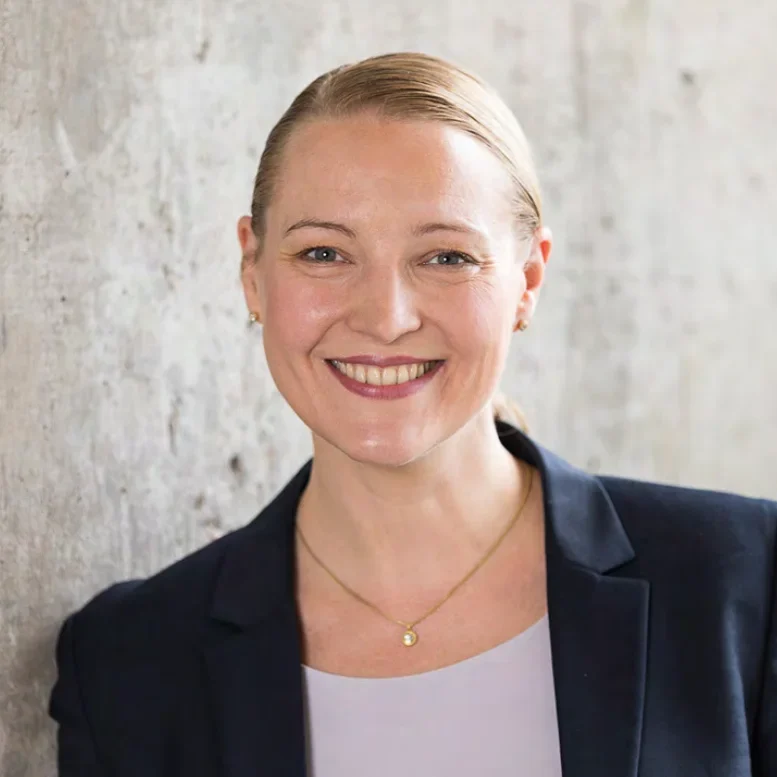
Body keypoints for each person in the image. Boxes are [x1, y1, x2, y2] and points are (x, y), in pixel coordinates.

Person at [48, 51, 777, 777]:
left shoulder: (741, 578)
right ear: (252, 272)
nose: (386, 318)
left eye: (446, 258)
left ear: (526, 279)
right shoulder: (127, 661)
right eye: (324, 252)